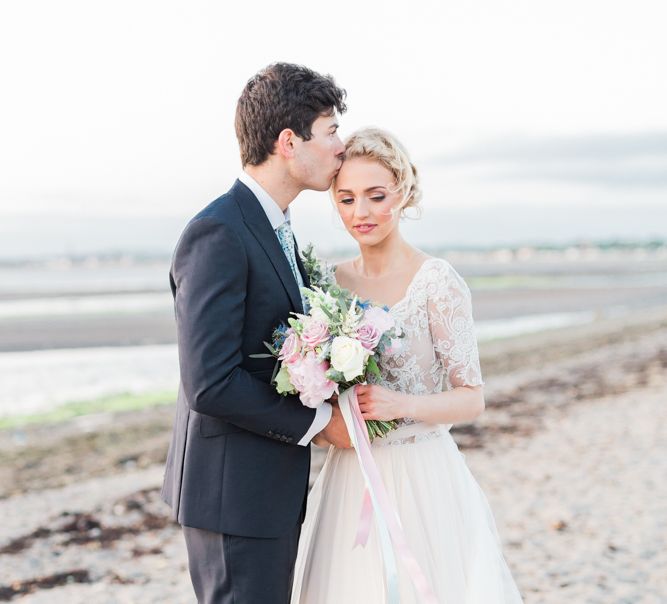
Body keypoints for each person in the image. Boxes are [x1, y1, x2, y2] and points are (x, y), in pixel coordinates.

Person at [291, 128, 524, 602]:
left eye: (376, 196)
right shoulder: (329, 285)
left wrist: (402, 403)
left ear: (403, 191)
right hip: (349, 475)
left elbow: (471, 397)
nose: (361, 213)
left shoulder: (436, 282)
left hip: (423, 477)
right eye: (347, 199)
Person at [160, 63, 351, 604]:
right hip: (231, 494)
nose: (341, 145)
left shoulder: (276, 224)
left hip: (263, 488)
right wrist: (318, 422)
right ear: (289, 142)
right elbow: (210, 382)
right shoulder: (219, 231)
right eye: (331, 129)